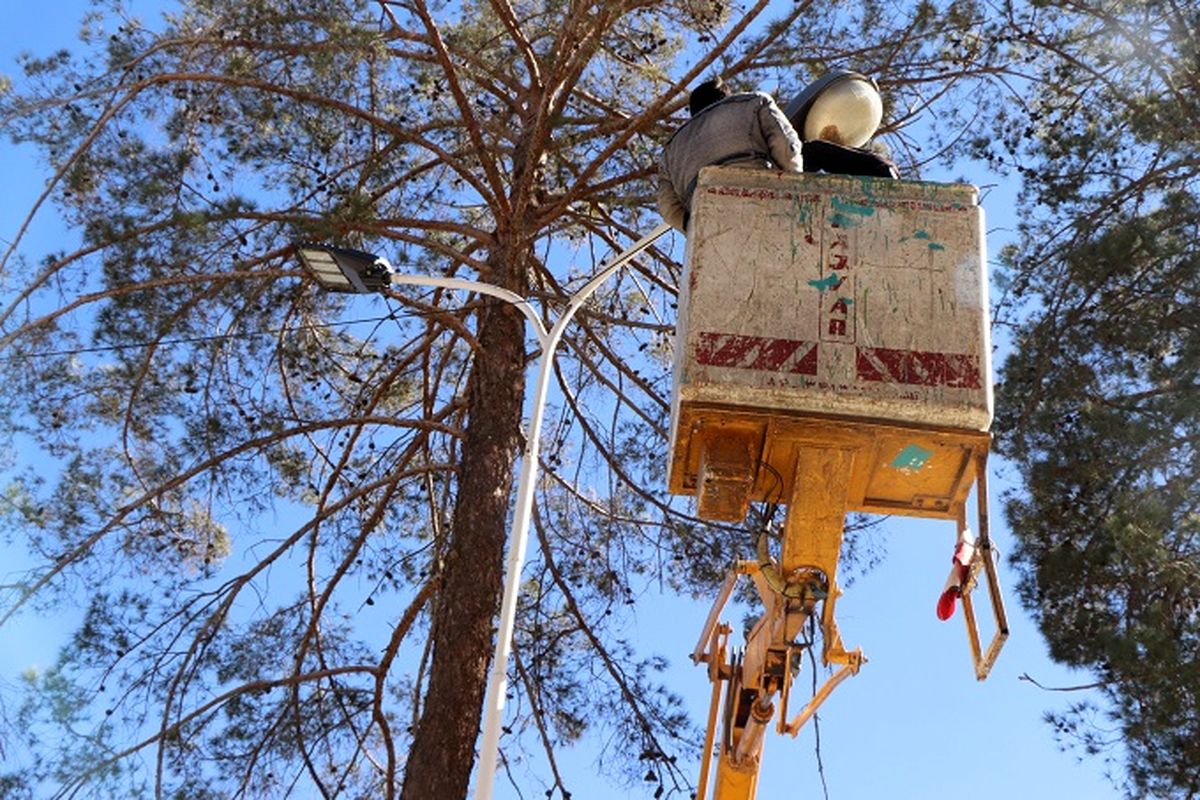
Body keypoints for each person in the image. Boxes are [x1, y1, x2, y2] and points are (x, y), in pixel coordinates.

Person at [656, 77, 804, 233]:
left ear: (693, 112)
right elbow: (786, 146)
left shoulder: (670, 150)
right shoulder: (755, 102)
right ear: (726, 98)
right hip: (766, 201)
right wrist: (792, 188)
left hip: (711, 226)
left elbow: (667, 207)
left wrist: (692, 226)